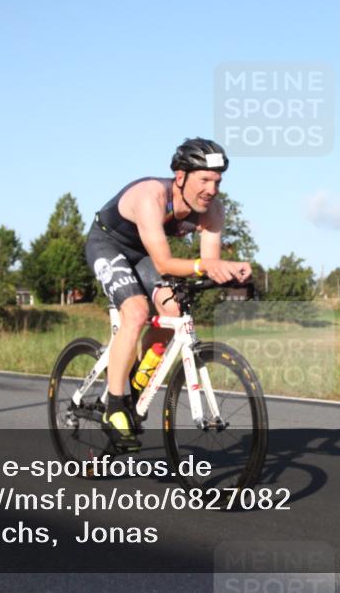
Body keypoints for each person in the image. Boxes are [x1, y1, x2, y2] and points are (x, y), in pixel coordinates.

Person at [85, 138, 252, 451]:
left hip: (142, 254)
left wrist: (231, 273)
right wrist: (208, 266)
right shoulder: (153, 197)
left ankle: (138, 379)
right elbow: (165, 263)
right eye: (204, 180)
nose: (211, 189)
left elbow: (209, 263)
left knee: (173, 310)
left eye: (217, 181)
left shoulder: (212, 210)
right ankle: (115, 407)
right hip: (108, 245)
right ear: (180, 177)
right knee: (135, 312)